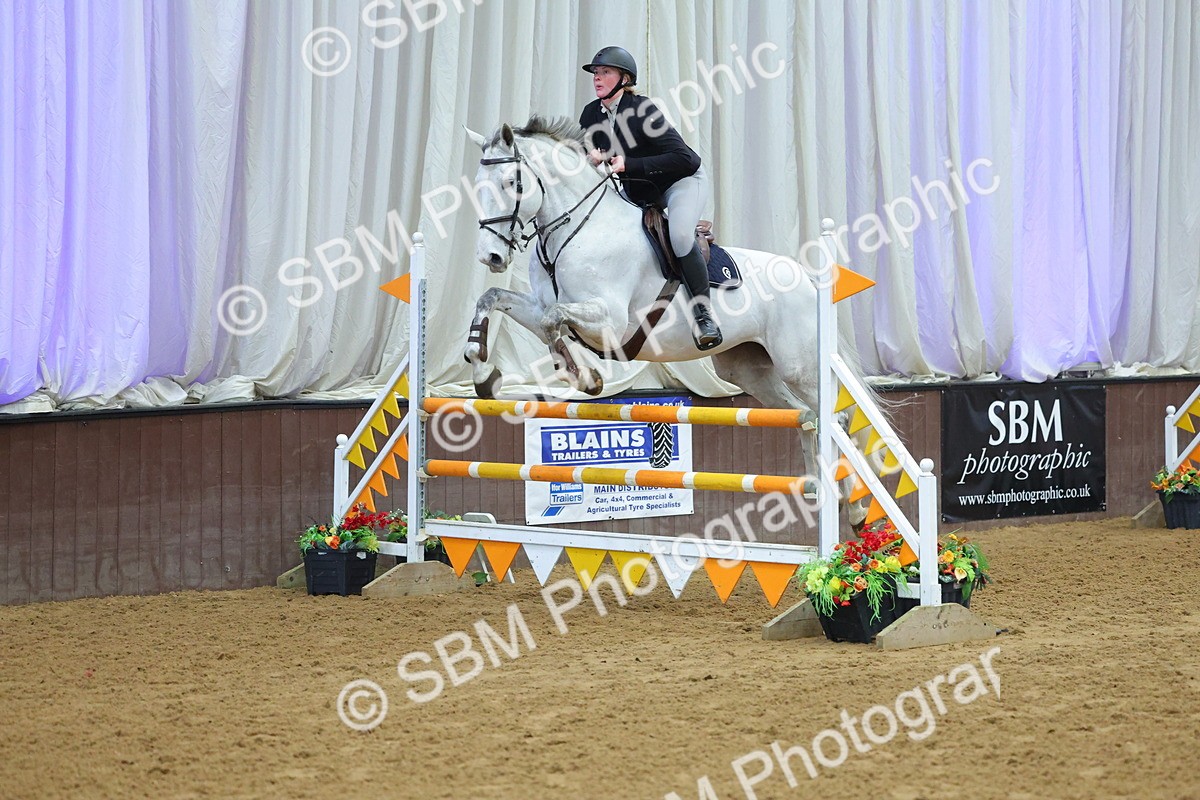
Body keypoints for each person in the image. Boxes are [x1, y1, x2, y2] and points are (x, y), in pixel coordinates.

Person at [578, 46, 722, 351]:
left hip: (681, 182)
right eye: (596, 73)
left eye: (605, 72)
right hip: (640, 192)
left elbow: (683, 157)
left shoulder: (643, 111)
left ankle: (704, 315)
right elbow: (591, 152)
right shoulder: (591, 113)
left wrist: (629, 164)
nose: (597, 78)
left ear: (624, 79)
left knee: (681, 237)